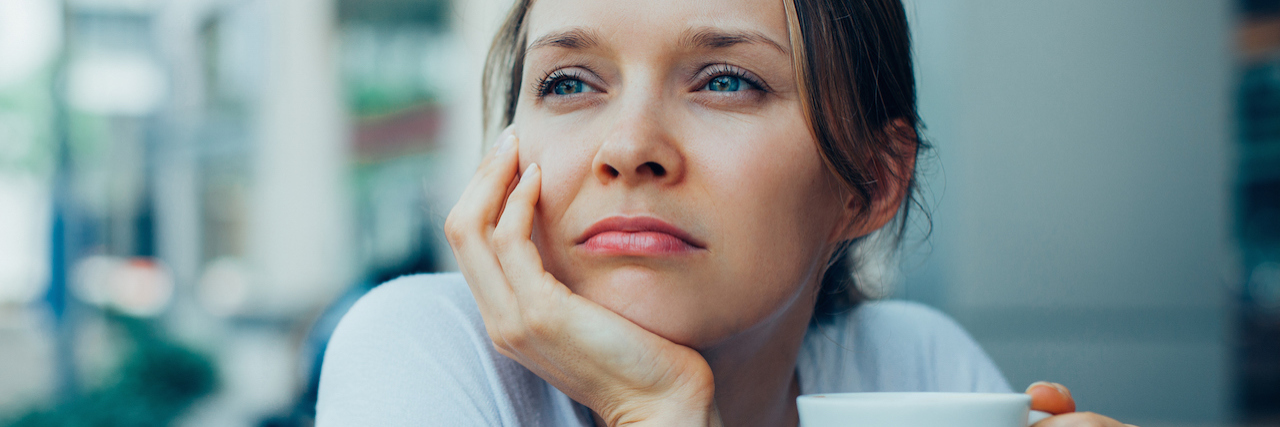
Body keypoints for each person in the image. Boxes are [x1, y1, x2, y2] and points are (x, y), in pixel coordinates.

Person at [316, 0, 1135, 426]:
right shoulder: (425, 354)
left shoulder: (914, 372)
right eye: (569, 83)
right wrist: (655, 408)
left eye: (726, 80)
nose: (631, 145)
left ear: (871, 182)